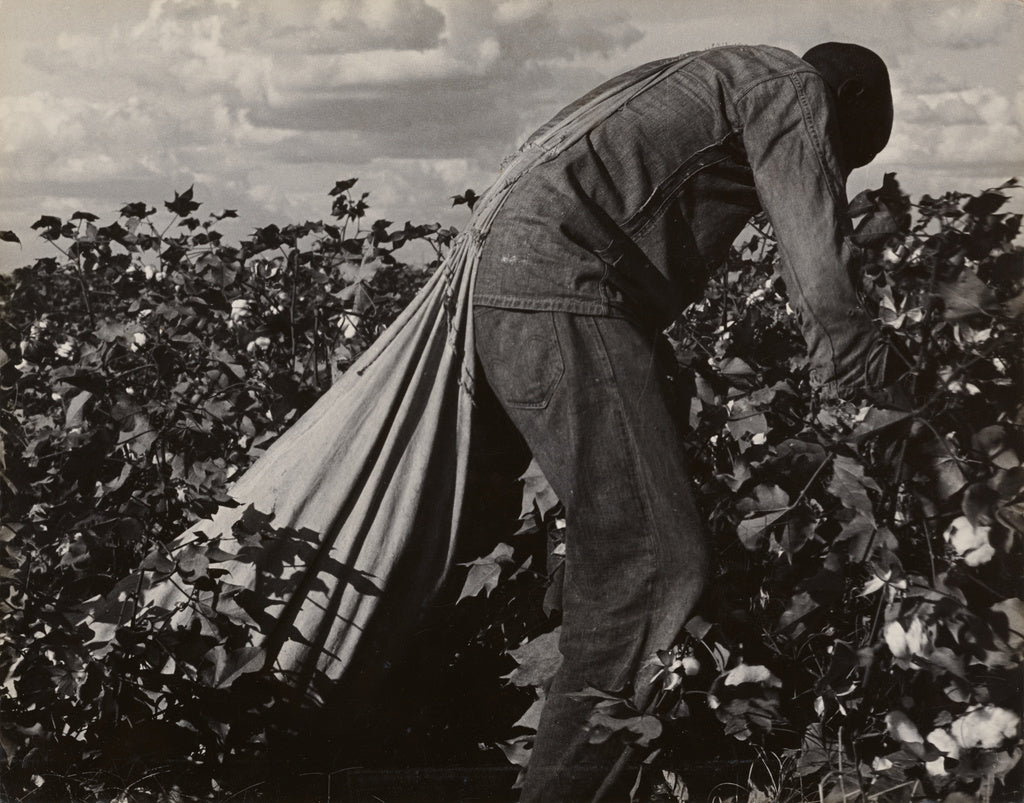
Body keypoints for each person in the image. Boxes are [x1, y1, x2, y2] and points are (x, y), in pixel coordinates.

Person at [470, 42, 895, 801]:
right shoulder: (791, 87)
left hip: (518, 290)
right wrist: (872, 399)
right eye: (842, 156)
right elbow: (821, 276)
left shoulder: (716, 76)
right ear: (851, 95)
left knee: (613, 546)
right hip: (565, 290)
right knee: (651, 571)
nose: (832, 173)